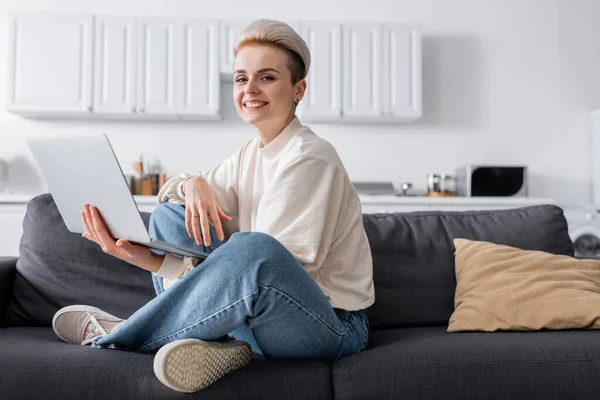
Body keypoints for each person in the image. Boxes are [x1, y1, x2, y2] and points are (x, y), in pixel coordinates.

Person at [51, 19, 375, 393]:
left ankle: (121, 335)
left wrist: (176, 261)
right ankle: (215, 344)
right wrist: (193, 184)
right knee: (172, 216)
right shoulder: (250, 154)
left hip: (329, 326)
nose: (249, 89)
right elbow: (170, 195)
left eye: (266, 77)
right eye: (240, 79)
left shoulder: (309, 157)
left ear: (298, 89)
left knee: (254, 249)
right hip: (259, 315)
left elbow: (275, 270)